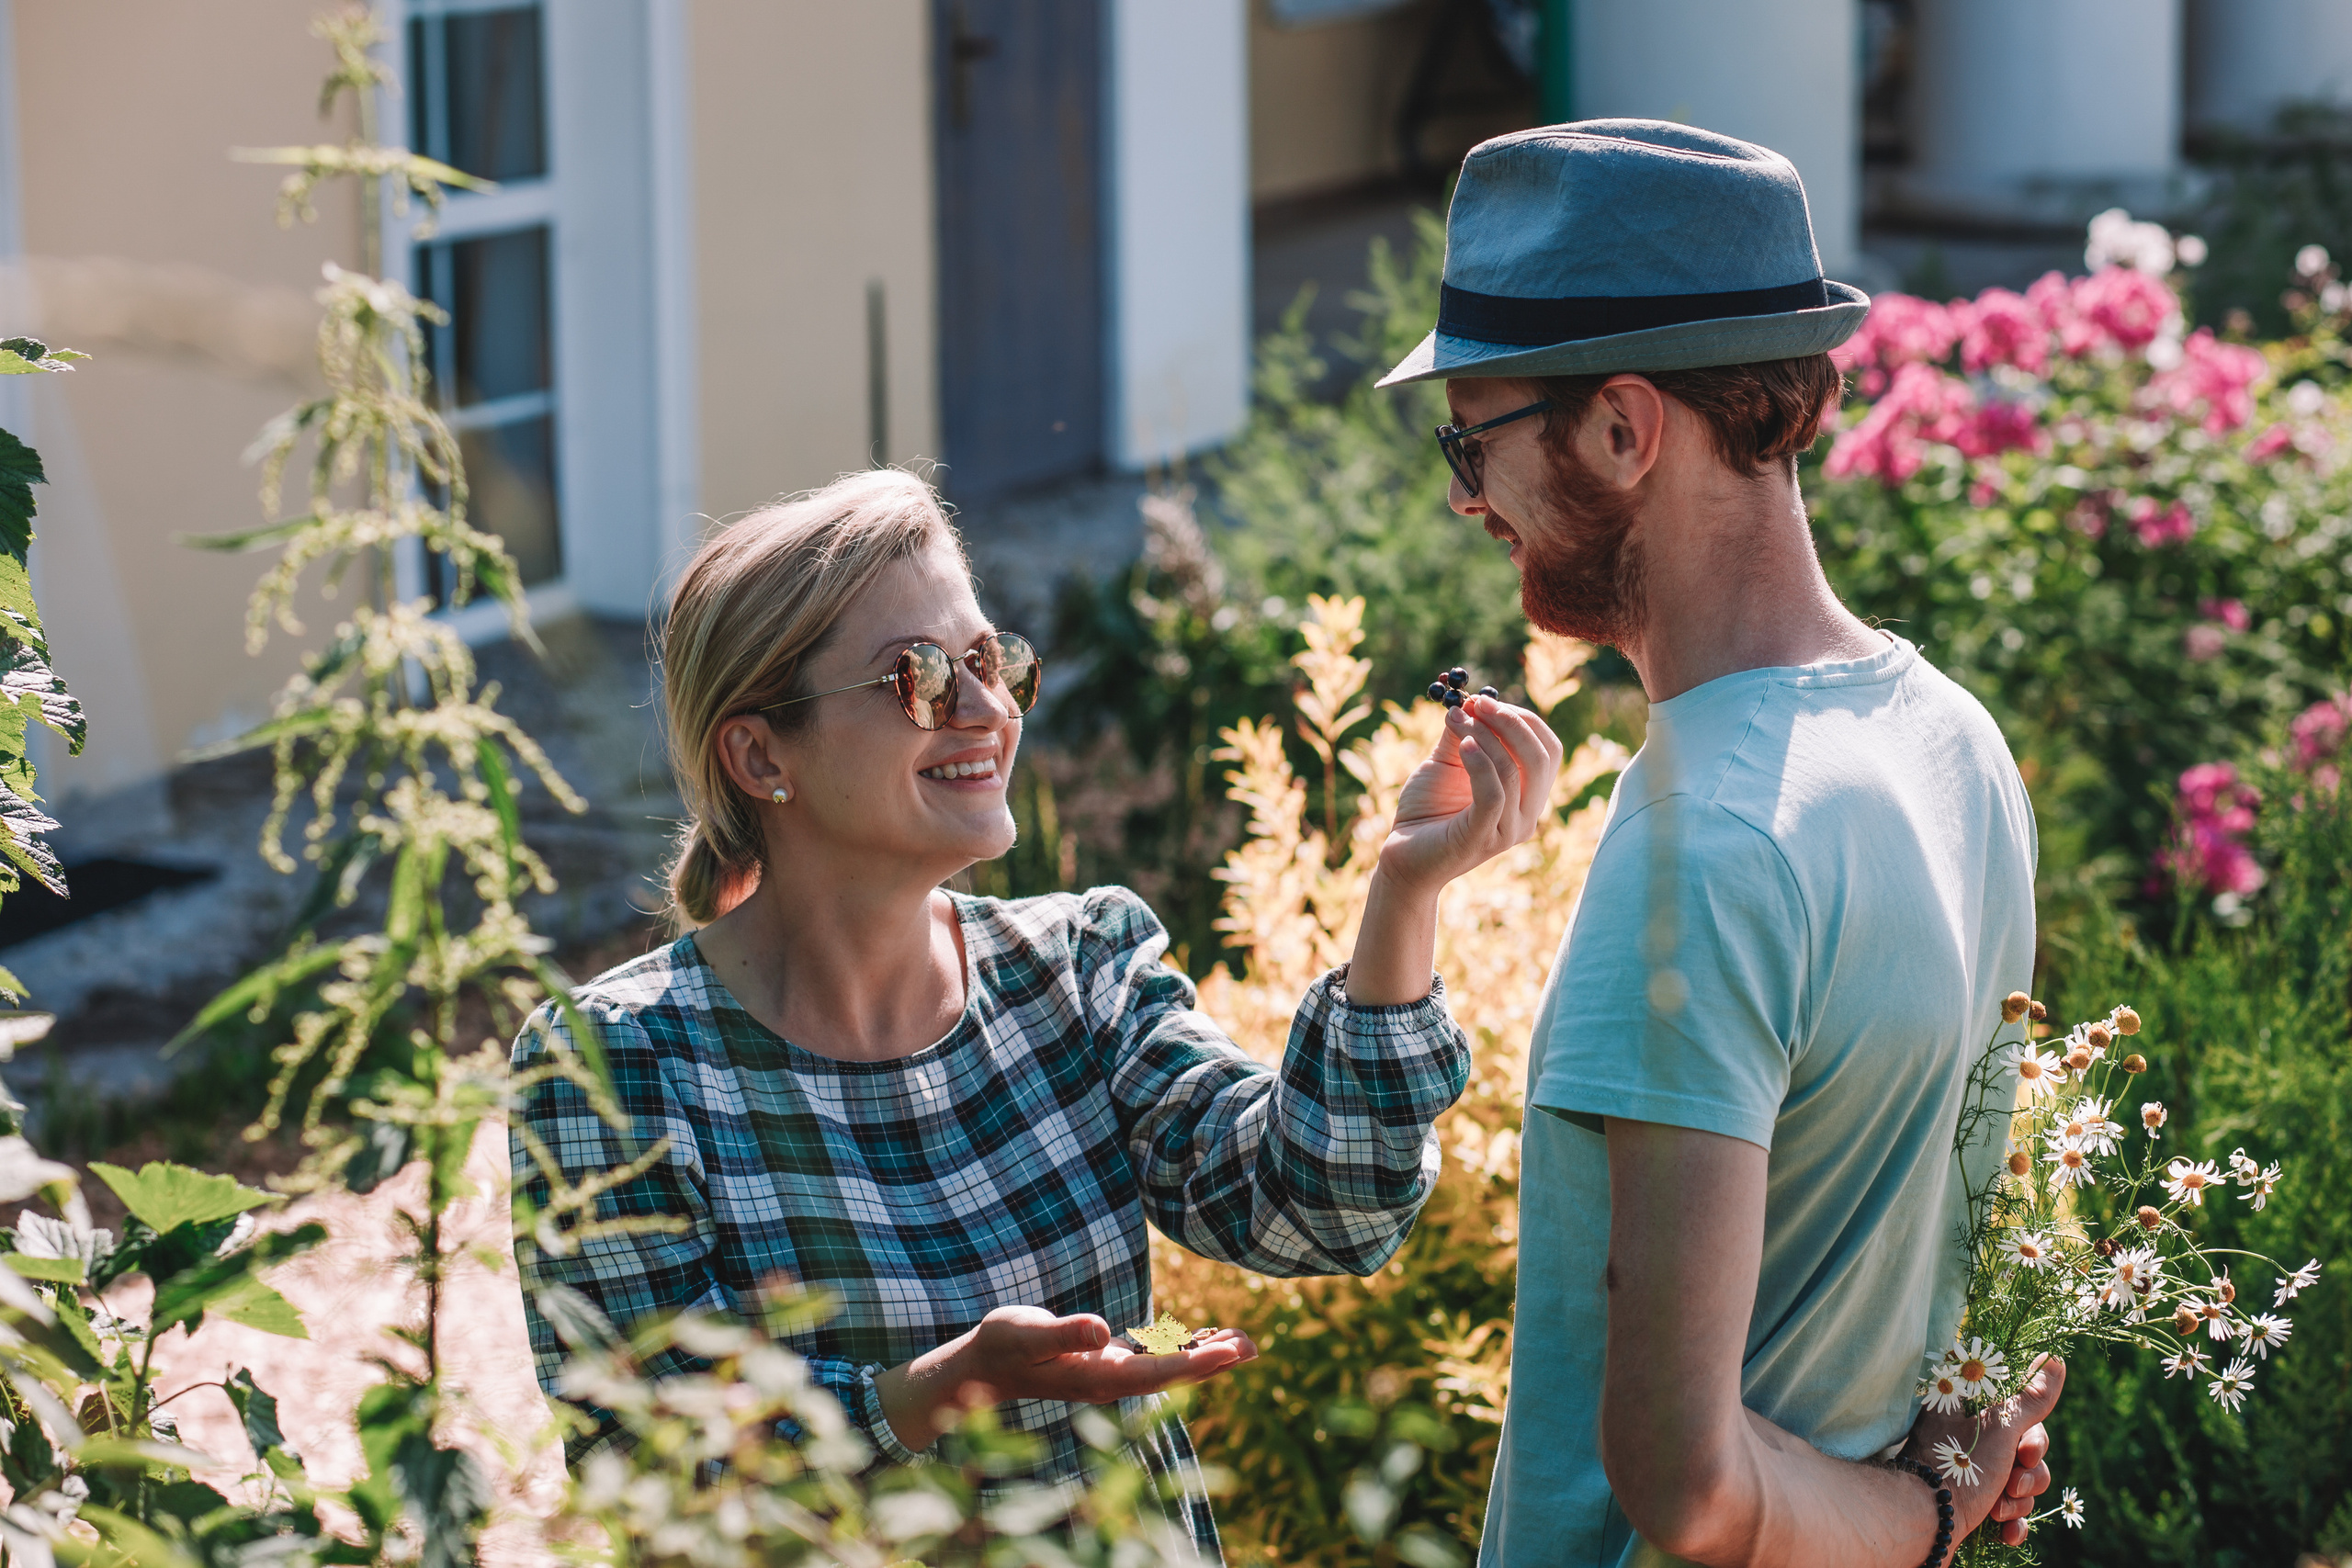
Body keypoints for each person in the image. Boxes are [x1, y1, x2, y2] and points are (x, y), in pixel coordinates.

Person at [509, 468, 1564, 1557]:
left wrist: (1402, 890)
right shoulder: (613, 1066)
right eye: (915, 678)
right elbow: (646, 1460)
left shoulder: (1079, 965)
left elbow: (1325, 1209)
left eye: (990, 660)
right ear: (760, 754)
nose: (987, 709)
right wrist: (932, 1393)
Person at [1372, 121, 2061, 1567]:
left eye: (1472, 435)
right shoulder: (1953, 737)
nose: (1461, 496)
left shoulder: (1708, 841)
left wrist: (1928, 1516)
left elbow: (1682, 1487)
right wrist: (1947, 1469)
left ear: (1624, 430)